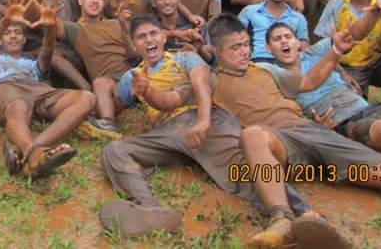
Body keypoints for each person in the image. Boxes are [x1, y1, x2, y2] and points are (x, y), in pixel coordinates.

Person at [99, 15, 313, 242]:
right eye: (141, 37)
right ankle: (150, 210)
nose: (149, 40)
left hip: (204, 120)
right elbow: (119, 103)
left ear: (164, 36)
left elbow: (200, 86)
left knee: (240, 167)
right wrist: (106, 108)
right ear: (133, 45)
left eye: (153, 33)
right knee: (114, 151)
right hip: (166, 132)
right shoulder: (130, 77)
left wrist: (203, 120)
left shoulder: (186, 58)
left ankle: (302, 214)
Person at [266, 22, 381, 189]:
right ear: (268, 49)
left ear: (298, 43)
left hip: (372, 109)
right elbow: (286, 119)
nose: (284, 41)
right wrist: (316, 128)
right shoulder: (273, 78)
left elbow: (349, 36)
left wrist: (374, 13)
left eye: (288, 37)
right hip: (345, 126)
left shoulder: (316, 52)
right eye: (277, 39)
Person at [0, 0, 94, 178]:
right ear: (1, 39)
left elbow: (47, 52)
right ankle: (34, 154)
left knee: (88, 99)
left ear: (25, 39)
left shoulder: (32, 63)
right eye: (7, 33)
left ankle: (33, 150)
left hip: (37, 89)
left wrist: (50, 27)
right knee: (18, 105)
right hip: (5, 87)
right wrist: (6, 19)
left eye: (18, 33)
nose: (13, 36)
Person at [59, 0, 137, 139]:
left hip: (132, 76)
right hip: (111, 88)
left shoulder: (115, 23)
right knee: (99, 89)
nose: (95, 1)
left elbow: (133, 54)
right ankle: (105, 123)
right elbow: (51, 24)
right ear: (80, 0)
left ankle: (106, 123)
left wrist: (123, 27)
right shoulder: (76, 29)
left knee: (101, 85)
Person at [238, 0, 309, 62]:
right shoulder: (250, 12)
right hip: (257, 63)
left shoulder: (298, 18)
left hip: (288, 65)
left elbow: (304, 47)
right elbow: (236, 39)